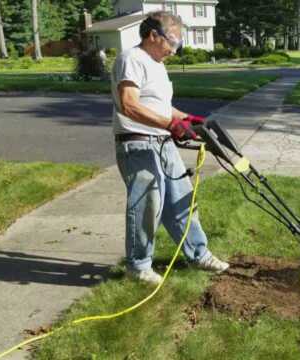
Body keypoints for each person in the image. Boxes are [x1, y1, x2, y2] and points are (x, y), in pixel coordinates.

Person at [111, 11, 229, 284]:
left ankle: (198, 254)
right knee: (147, 203)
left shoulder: (157, 65)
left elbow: (160, 106)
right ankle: (138, 267)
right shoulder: (131, 59)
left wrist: (185, 118)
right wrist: (170, 123)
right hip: (137, 143)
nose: (175, 51)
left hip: (163, 142)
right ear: (154, 35)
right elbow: (129, 105)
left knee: (181, 201)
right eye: (173, 43)